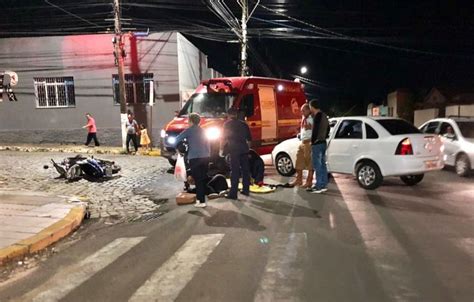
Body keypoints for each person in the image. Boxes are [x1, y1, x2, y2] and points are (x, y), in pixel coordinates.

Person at [174, 113, 210, 208]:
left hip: (194, 157)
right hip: (205, 157)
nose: (187, 122)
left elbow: (176, 140)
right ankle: (200, 199)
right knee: (202, 178)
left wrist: (177, 149)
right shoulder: (203, 130)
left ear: (191, 121)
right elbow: (208, 144)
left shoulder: (189, 131)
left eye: (188, 120)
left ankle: (201, 201)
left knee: (198, 179)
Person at [222, 108, 252, 199]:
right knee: (245, 171)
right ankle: (246, 190)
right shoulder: (243, 124)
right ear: (236, 114)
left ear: (229, 115)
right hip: (244, 149)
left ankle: (233, 194)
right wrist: (248, 149)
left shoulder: (227, 124)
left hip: (234, 150)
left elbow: (224, 138)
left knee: (235, 172)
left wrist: (221, 149)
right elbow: (249, 139)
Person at [308, 99, 330, 193]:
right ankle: (324, 184)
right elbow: (328, 128)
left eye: (310, 107)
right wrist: (324, 137)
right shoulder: (325, 116)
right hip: (323, 142)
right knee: (323, 164)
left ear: (312, 107)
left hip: (317, 143)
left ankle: (318, 186)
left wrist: (312, 141)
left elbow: (315, 131)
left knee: (317, 165)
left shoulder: (317, 116)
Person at [291, 104, 314, 188]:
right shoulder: (304, 118)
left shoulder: (312, 118)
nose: (302, 113)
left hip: (309, 142)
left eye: (303, 111)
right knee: (298, 161)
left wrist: (311, 127)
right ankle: (299, 180)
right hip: (302, 142)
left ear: (308, 110)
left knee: (309, 163)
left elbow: (314, 128)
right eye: (301, 111)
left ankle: (309, 181)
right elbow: (304, 129)